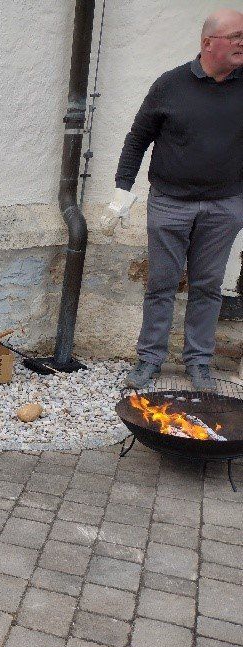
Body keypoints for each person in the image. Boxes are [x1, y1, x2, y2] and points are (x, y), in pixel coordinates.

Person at [103, 8, 243, 390]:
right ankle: (149, 360)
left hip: (225, 206)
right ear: (208, 43)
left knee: (207, 286)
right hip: (170, 203)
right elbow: (137, 138)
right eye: (235, 36)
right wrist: (122, 187)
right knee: (161, 285)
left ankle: (198, 363)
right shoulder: (170, 85)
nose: (242, 42)